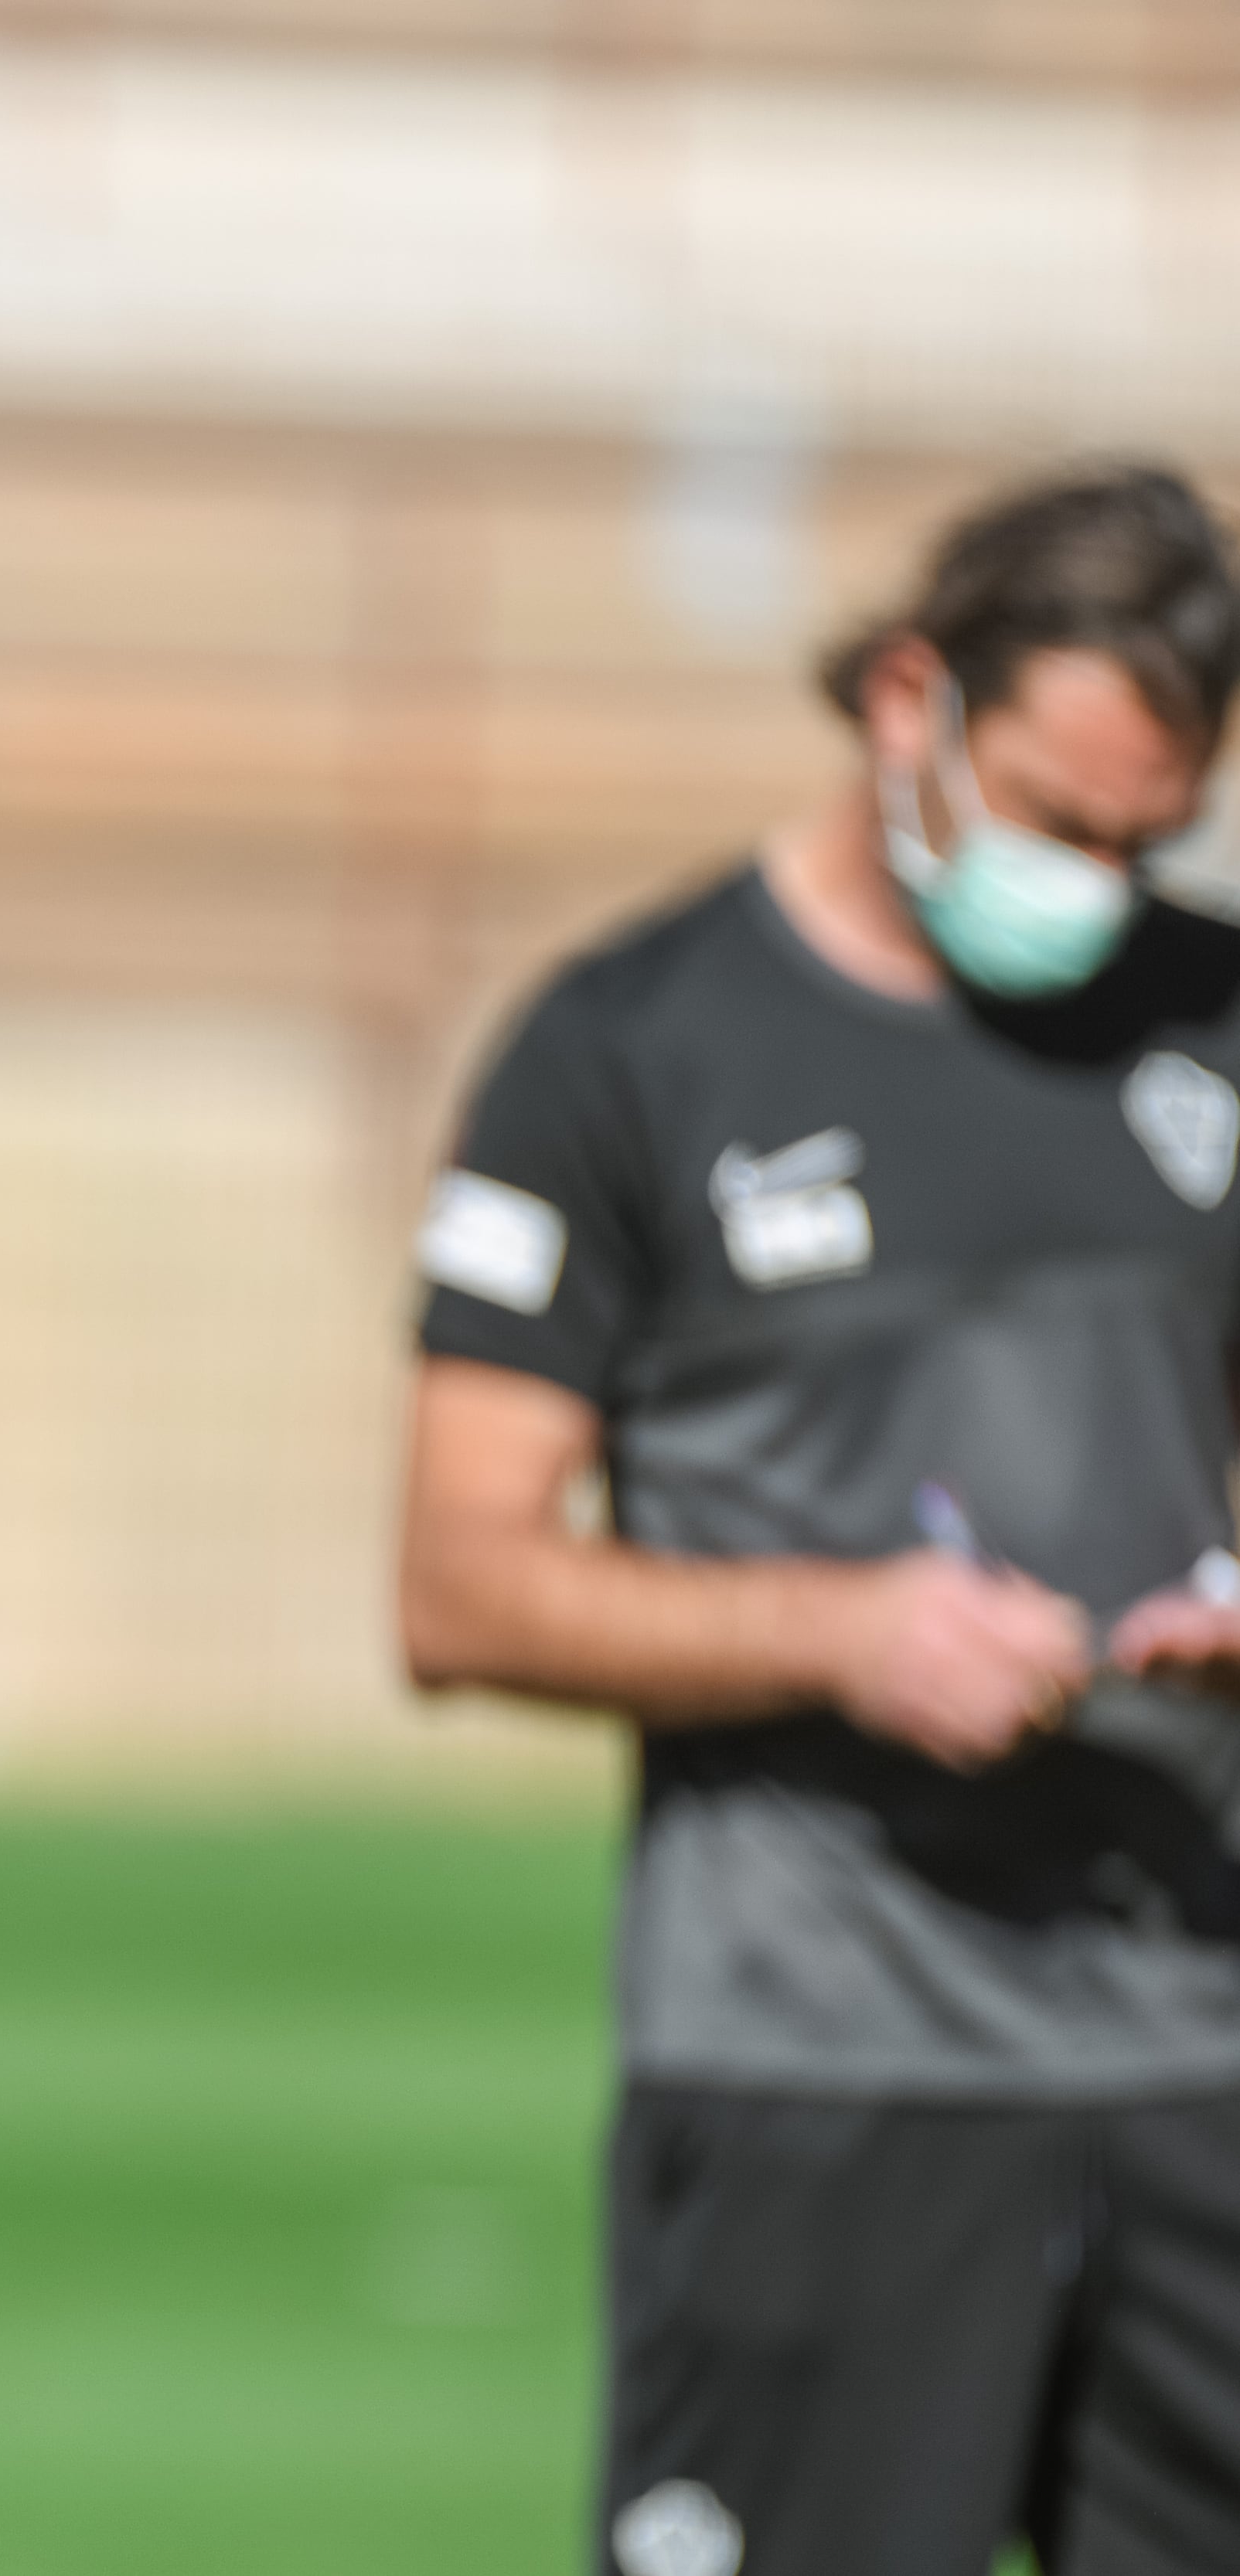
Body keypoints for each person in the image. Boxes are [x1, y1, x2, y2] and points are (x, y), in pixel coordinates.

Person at [402, 461, 1240, 2576]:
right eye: (1059, 820)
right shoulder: (629, 1048)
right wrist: (843, 1632)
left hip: (1203, 2052)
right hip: (814, 2067)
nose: (1102, 887)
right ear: (906, 704)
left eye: (1152, 843)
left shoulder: (1216, 1015)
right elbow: (458, 1580)